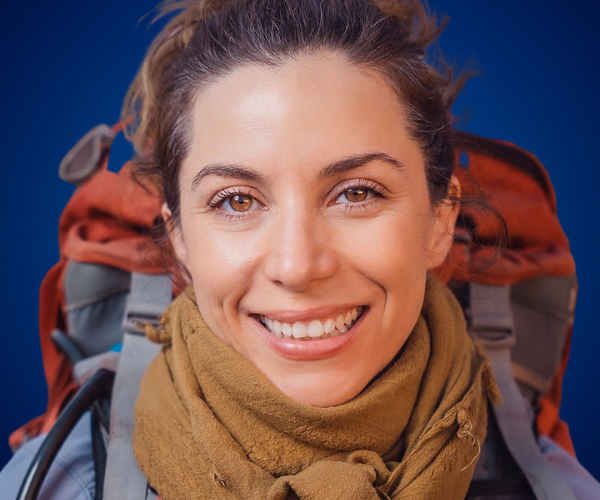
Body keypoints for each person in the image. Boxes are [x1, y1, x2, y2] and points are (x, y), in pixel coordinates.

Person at [1, 0, 598, 499]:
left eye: (357, 193)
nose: (297, 265)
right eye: (236, 201)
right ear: (178, 237)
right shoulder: (60, 482)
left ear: (441, 220)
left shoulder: (548, 485)